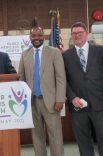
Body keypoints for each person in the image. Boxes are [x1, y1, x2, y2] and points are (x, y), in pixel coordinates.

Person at [63, 22, 103, 156]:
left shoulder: (100, 50)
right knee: (83, 141)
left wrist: (98, 87)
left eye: (80, 32)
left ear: (86, 34)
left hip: (99, 104)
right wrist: (72, 97)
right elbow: (63, 80)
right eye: (74, 33)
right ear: (71, 36)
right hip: (77, 106)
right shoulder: (65, 56)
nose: (77, 35)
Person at [18, 23, 66, 156]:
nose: (36, 38)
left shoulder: (54, 52)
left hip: (51, 102)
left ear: (43, 36)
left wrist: (60, 99)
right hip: (32, 102)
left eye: (39, 35)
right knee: (37, 136)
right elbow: (21, 78)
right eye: (33, 35)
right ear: (30, 37)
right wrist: (23, 101)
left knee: (55, 136)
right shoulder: (25, 54)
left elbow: (61, 77)